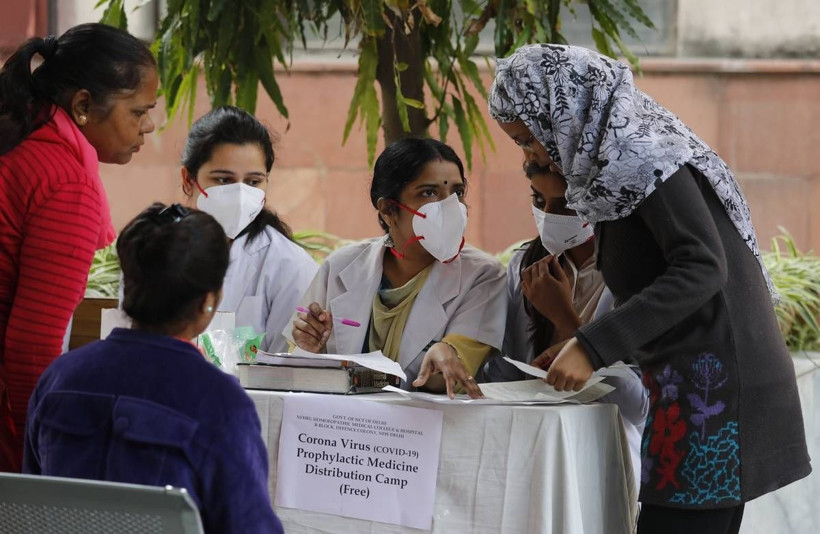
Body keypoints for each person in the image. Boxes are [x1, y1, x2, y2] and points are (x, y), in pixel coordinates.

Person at [489, 44, 811, 533]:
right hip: (694, 388)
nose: (531, 156)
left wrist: (591, 346)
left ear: (562, 112)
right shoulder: (616, 166)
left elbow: (703, 268)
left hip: (715, 394)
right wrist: (579, 344)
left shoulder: (644, 154)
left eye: (527, 140)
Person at [23, 203, 284, 534]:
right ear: (210, 301)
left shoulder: (60, 377)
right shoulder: (219, 400)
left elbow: (30, 503)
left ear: (128, 288)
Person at [0, 23, 158, 471]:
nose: (148, 126)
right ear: (84, 105)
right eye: (138, 111)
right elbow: (33, 347)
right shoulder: (67, 184)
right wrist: (41, 465)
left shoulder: (20, 137)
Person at [288, 138, 506, 398]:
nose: (450, 206)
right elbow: (297, 371)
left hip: (428, 429)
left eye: (456, 193)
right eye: (429, 192)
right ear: (389, 210)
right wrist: (307, 348)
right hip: (344, 430)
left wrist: (444, 355)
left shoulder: (483, 276)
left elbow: (448, 376)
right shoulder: (341, 266)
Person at [484, 162, 648, 492]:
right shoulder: (525, 266)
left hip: (603, 455)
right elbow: (506, 371)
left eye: (564, 204)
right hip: (531, 450)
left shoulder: (632, 275)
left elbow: (638, 405)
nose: (548, 215)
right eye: (539, 201)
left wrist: (567, 322)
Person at [181, 106, 318, 352]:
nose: (241, 194)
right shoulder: (154, 251)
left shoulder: (291, 266)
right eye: (223, 180)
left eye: (253, 182)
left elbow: (287, 367)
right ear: (188, 180)